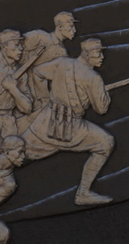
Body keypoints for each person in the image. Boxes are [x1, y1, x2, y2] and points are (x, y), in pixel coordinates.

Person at [20, 38, 115, 205]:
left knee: (15, 152)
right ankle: (83, 193)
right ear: (86, 54)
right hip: (72, 130)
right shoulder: (94, 78)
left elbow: (37, 73)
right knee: (106, 143)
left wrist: (43, 98)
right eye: (97, 53)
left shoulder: (62, 63)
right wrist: (104, 96)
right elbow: (102, 110)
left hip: (45, 123)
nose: (102, 57)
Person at [23, 11, 77, 106]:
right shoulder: (38, 36)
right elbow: (13, 47)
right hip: (20, 85)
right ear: (59, 27)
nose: (75, 30)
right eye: (71, 26)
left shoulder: (62, 53)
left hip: (38, 97)